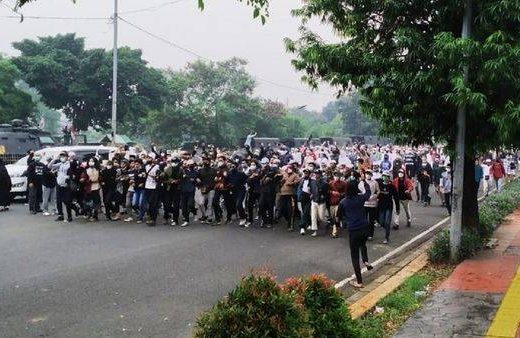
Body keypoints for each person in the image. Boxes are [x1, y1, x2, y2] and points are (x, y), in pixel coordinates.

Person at [337, 179, 373, 288]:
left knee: (354, 256)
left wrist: (339, 224)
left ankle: (359, 281)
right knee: (363, 244)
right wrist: (365, 182)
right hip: (365, 227)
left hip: (353, 230)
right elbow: (368, 193)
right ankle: (366, 261)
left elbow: (338, 216)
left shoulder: (344, 202)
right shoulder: (361, 198)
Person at [377, 171, 399, 244]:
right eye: (384, 176)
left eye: (386, 176)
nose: (385, 177)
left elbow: (396, 198)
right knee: (381, 222)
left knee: (387, 222)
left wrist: (397, 208)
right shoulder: (379, 185)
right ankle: (386, 228)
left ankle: (386, 237)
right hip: (381, 206)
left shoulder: (392, 187)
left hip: (389, 206)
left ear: (389, 178)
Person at [278, 164, 300, 231]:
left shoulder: (296, 175)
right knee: (281, 209)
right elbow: (281, 181)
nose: (289, 169)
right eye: (288, 168)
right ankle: (287, 219)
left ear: (293, 169)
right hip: (283, 193)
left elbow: (297, 183)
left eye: (290, 168)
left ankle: (290, 225)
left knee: (290, 210)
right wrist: (281, 181)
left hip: (291, 194)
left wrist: (291, 183)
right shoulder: (284, 174)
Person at [328, 171, 347, 238]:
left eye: (338, 176)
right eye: (335, 175)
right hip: (332, 202)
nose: (337, 177)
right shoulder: (330, 183)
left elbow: (345, 192)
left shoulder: (344, 183)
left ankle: (335, 232)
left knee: (336, 216)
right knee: (333, 217)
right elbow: (327, 191)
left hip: (339, 202)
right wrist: (332, 192)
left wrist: (340, 194)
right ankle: (336, 225)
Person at [309, 169, 328, 237]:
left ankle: (326, 223)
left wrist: (324, 196)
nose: (317, 175)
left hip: (321, 202)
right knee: (313, 216)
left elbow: (326, 193)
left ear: (320, 174)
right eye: (316, 173)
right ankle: (315, 231)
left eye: (318, 173)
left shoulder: (325, 183)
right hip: (314, 201)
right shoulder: (312, 182)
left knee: (321, 217)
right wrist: (311, 195)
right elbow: (311, 190)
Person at [363, 169, 380, 240]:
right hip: (364, 204)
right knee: (364, 220)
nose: (367, 175)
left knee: (371, 220)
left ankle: (370, 234)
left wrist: (375, 196)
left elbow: (378, 191)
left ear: (371, 175)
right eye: (366, 174)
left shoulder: (375, 182)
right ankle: (364, 233)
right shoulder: (361, 182)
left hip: (372, 203)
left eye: (369, 174)